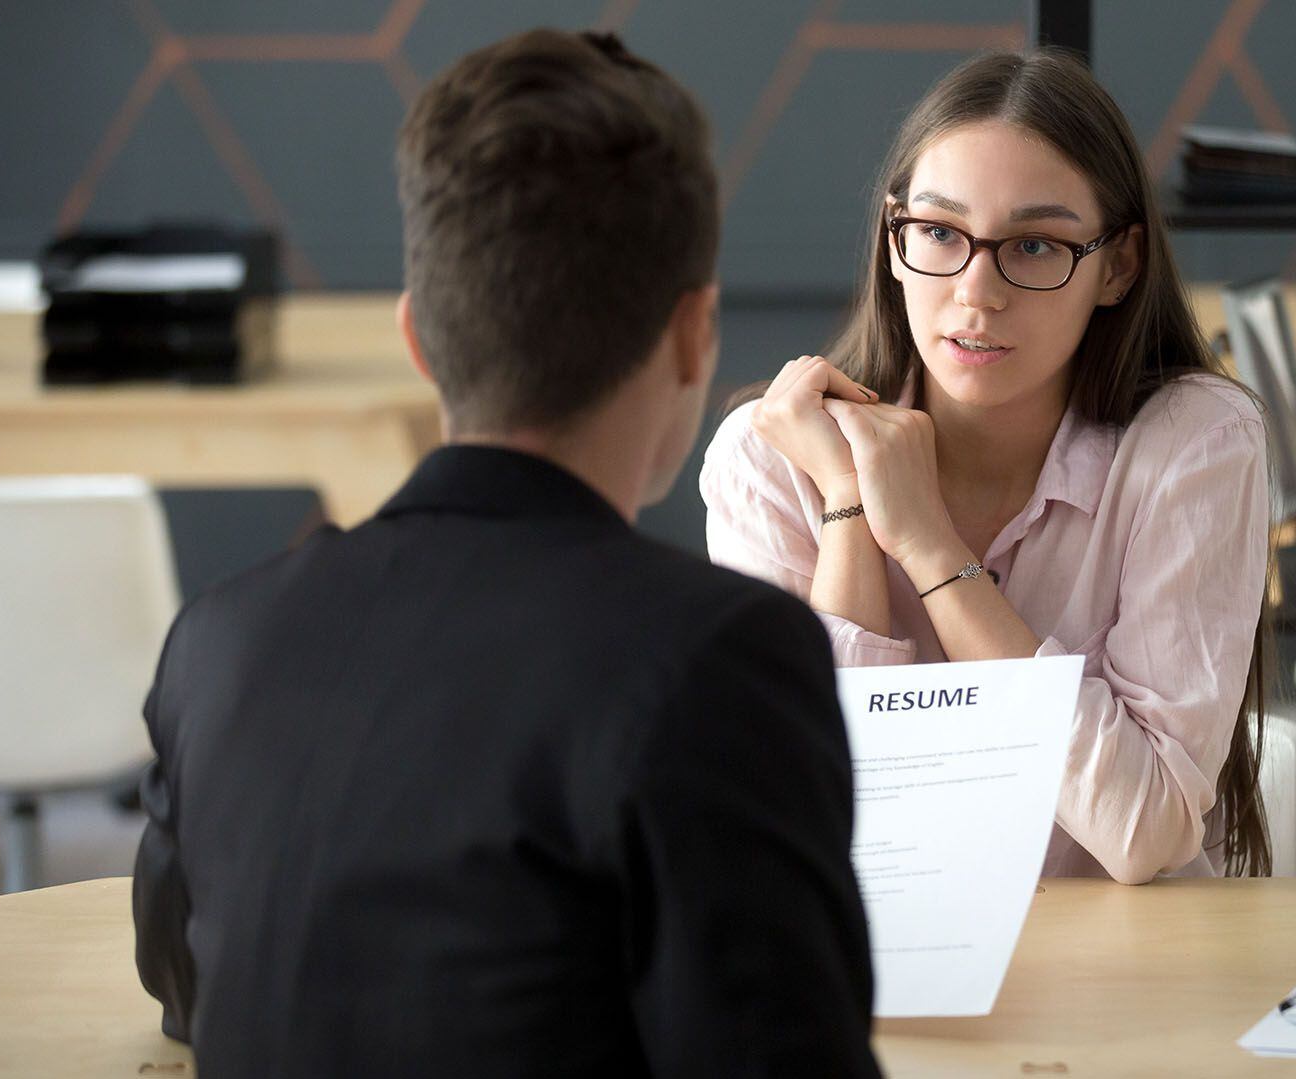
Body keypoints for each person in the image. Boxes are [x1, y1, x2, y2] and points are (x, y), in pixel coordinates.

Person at [131, 29, 880, 1077]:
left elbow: (185, 993)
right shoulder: (717, 656)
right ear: (692, 336)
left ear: (419, 337)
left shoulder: (219, 637)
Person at [701, 49, 1276, 885]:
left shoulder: (1194, 442)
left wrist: (934, 551)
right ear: (895, 241)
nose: (977, 292)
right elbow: (818, 818)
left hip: (1128, 980)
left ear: (1117, 266)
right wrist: (849, 507)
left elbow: (1146, 827)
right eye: (939, 232)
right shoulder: (770, 458)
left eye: (1036, 245)